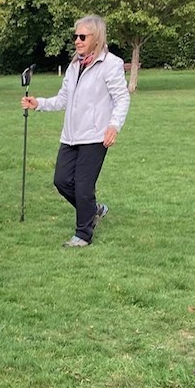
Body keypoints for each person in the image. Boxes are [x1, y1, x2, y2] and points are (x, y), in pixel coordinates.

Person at [22, 14, 130, 248]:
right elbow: (63, 99)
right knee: (61, 181)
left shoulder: (110, 64)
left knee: (83, 187)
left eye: (82, 36)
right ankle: (95, 210)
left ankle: (83, 235)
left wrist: (114, 125)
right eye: (75, 36)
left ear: (97, 38)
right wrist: (38, 103)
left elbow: (122, 98)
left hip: (95, 136)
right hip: (70, 135)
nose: (77, 41)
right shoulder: (74, 66)